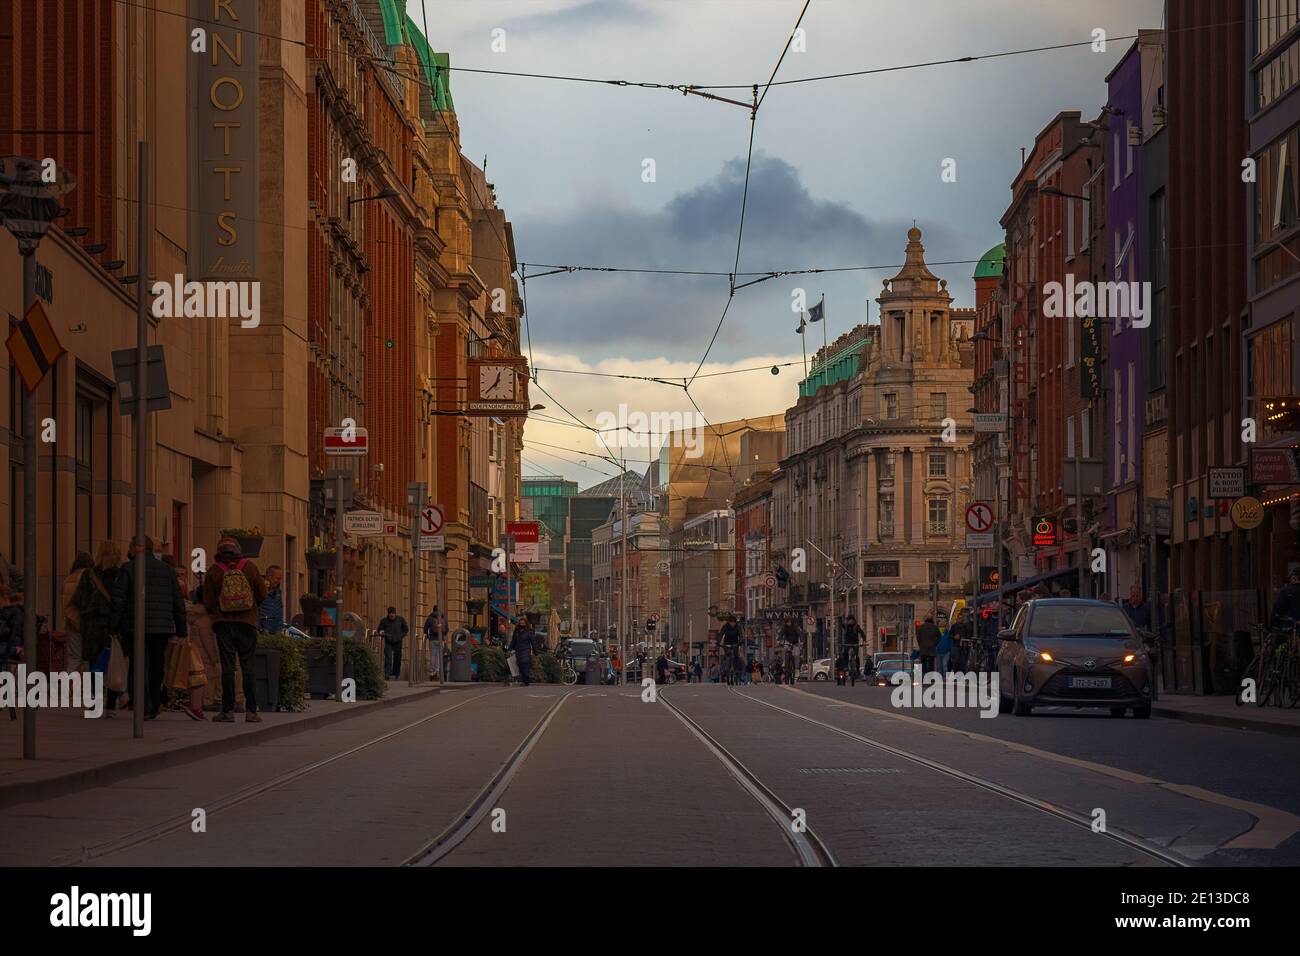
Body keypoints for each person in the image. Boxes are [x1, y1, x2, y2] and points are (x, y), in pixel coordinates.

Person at [112, 536, 188, 720]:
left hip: (134, 625)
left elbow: (118, 600)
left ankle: (143, 704)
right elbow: (178, 600)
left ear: (135, 548)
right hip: (161, 627)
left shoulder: (128, 568)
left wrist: (113, 625)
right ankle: (154, 702)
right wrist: (181, 629)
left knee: (138, 664)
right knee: (156, 665)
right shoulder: (166, 570)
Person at [203, 536, 268, 723]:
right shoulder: (249, 567)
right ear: (238, 549)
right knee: (248, 667)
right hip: (247, 623)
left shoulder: (214, 570)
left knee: (228, 667)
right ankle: (251, 711)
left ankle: (227, 710)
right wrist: (250, 607)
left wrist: (219, 609)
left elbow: (207, 601)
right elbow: (262, 593)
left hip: (223, 624)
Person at [61, 552, 93, 671]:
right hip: (85, 623)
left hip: (71, 623)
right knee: (85, 660)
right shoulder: (88, 577)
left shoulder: (68, 578)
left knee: (74, 657)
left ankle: (68, 687)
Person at [509, 617, 537, 686]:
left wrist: (535, 651)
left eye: (523, 623)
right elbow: (513, 641)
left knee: (524, 663)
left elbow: (533, 641)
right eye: (520, 623)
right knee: (519, 665)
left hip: (525, 650)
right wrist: (510, 648)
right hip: (518, 650)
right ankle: (524, 680)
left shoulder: (529, 631)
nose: (521, 624)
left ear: (526, 623)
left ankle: (526, 680)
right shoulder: (517, 631)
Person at [258, 565, 285, 634]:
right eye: (277, 578)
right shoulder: (259, 589)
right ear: (269, 576)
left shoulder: (278, 592)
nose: (279, 581)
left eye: (280, 579)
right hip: (263, 630)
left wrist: (280, 627)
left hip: (276, 631)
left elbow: (280, 610)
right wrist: (259, 628)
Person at [718, 614, 742, 685]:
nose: (732, 624)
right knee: (727, 655)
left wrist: (741, 641)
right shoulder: (725, 626)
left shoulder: (738, 627)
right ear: (729, 622)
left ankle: (737, 670)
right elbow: (721, 634)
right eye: (731, 622)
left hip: (735, 644)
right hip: (727, 644)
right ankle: (726, 670)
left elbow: (741, 635)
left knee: (736, 656)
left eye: (733, 622)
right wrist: (718, 642)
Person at [841, 614, 864, 685]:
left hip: (855, 643)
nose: (849, 622)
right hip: (847, 643)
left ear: (853, 620)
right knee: (845, 653)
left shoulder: (856, 626)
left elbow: (862, 633)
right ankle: (845, 666)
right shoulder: (845, 626)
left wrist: (864, 640)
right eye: (848, 620)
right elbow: (841, 624)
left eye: (851, 620)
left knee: (857, 657)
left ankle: (857, 670)